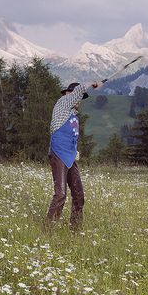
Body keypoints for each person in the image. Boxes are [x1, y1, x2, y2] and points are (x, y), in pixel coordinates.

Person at [45, 81, 103, 232]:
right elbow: (78, 90)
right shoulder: (62, 104)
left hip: (69, 157)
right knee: (60, 194)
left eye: (80, 98)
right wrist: (94, 83)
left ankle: (75, 231)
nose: (78, 99)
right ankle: (48, 230)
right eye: (76, 95)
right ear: (67, 94)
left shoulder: (74, 116)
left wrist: (75, 151)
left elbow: (71, 136)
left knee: (78, 194)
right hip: (58, 154)